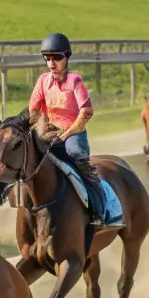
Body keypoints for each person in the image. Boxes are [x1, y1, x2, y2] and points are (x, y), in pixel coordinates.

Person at [28, 33, 107, 221]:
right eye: (47, 58)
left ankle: (98, 208)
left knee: (75, 154)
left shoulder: (75, 81)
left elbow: (86, 112)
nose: (51, 63)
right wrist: (41, 128)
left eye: (57, 58)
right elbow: (33, 110)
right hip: (50, 132)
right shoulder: (43, 81)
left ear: (67, 58)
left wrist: (67, 133)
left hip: (74, 132)